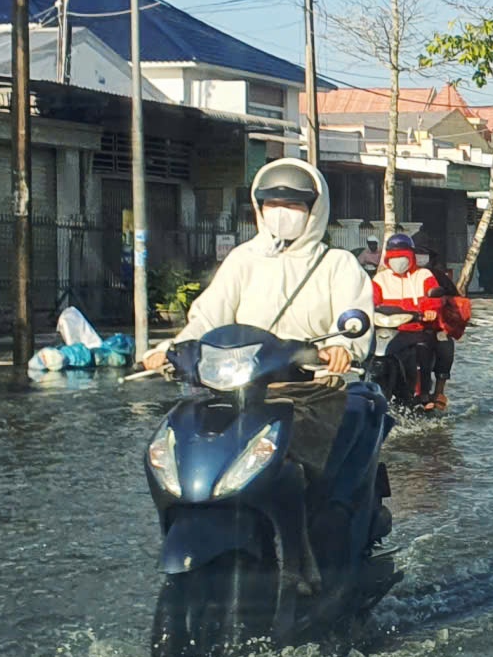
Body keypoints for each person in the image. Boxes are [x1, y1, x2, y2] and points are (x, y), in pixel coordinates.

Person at [142, 157, 371, 591]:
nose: (282, 212)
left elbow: (354, 318)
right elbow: (207, 317)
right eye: (272, 203)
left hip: (307, 388)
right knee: (178, 441)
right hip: (235, 386)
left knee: (291, 461)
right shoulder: (243, 260)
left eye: (294, 204)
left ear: (315, 209)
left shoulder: (337, 264)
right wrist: (168, 350)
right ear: (258, 207)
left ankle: (299, 560)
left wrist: (343, 348)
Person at [371, 232, 443, 408]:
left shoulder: (423, 275)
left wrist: (430, 310)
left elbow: (434, 297)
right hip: (387, 330)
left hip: (415, 328)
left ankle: (423, 393)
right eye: (394, 257)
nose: (398, 261)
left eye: (402, 256)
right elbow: (370, 298)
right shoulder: (381, 278)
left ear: (411, 256)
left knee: (424, 349)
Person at [417, 234, 466, 410]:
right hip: (407, 324)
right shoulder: (402, 276)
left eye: (423, 254)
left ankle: (439, 391)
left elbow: (456, 299)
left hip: (436, 325)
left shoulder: (439, 277)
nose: (419, 257)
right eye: (417, 253)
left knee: (445, 345)